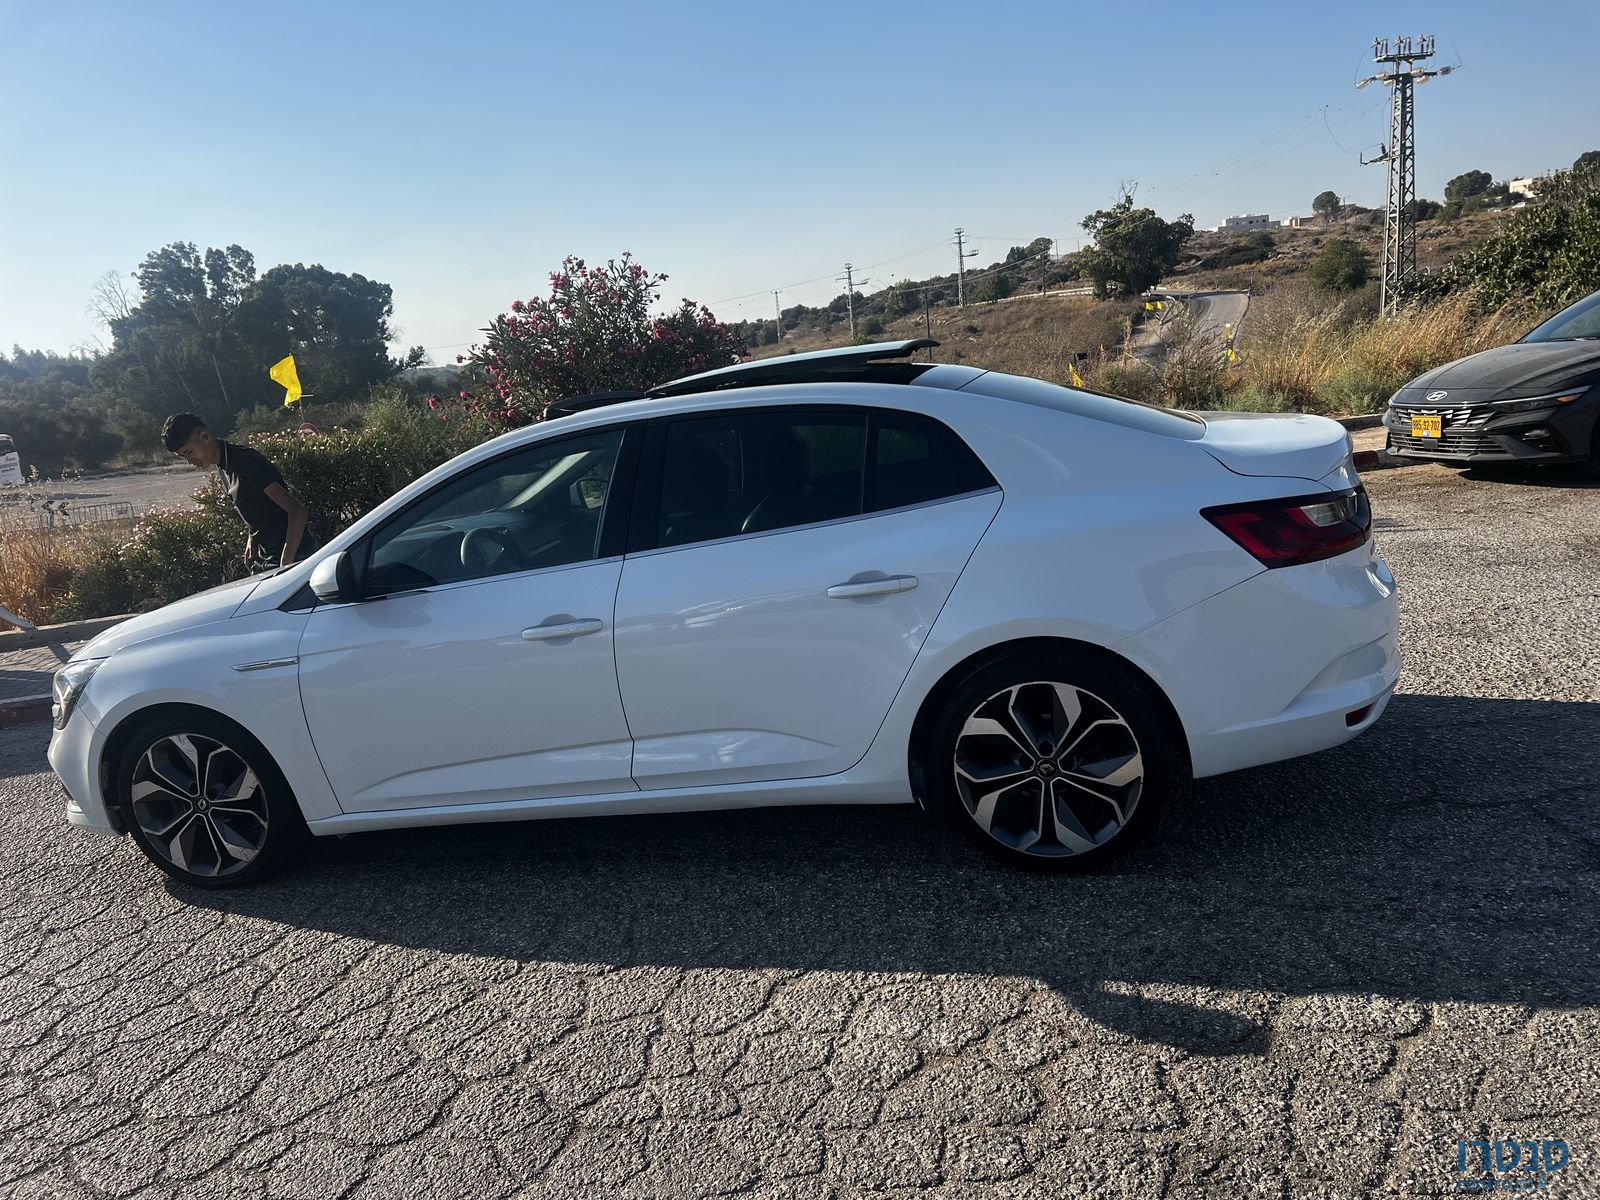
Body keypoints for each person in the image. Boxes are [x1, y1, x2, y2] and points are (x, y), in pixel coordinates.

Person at [162, 413, 318, 570]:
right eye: (183, 456)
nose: (189, 461)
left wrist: (286, 563)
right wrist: (252, 539)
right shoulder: (224, 466)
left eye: (189, 452)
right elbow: (260, 507)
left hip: (293, 560)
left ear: (205, 436)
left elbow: (297, 510)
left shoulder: (244, 464)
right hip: (266, 561)